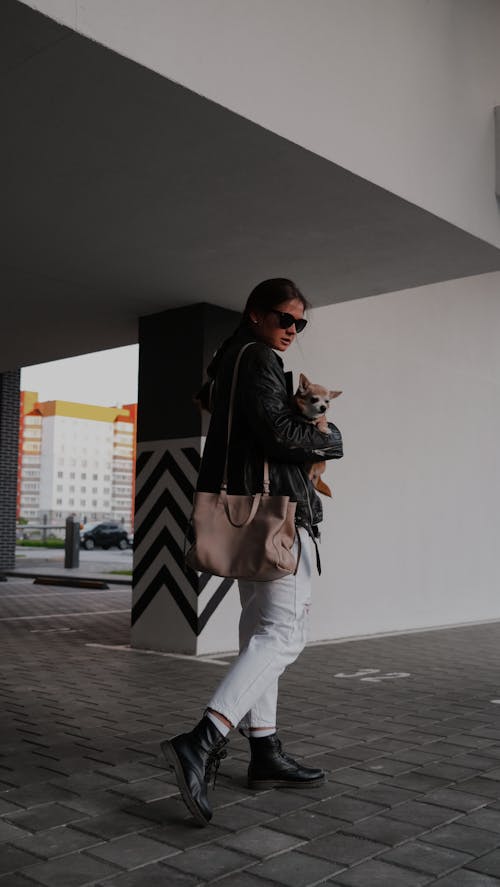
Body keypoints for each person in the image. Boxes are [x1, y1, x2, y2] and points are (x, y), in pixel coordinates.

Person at [161, 278, 343, 826]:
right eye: (284, 318)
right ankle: (203, 739)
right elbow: (280, 437)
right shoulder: (258, 357)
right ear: (255, 314)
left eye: (299, 323)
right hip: (277, 516)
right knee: (285, 632)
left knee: (259, 626)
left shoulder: (228, 362)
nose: (292, 330)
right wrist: (332, 438)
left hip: (248, 514)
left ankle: (263, 749)